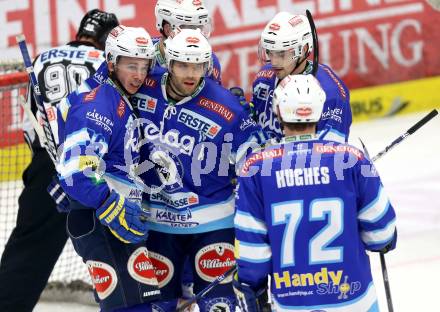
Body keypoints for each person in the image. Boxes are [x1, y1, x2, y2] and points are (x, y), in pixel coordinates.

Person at [233, 74, 397, 311]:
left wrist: (251, 285)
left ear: (278, 111)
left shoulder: (256, 168)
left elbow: (253, 258)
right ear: (320, 110)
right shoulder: (352, 159)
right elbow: (382, 234)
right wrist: (386, 241)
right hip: (354, 300)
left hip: (292, 302)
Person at [131, 28, 265, 312]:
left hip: (213, 225)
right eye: (182, 65)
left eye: (198, 66)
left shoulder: (229, 109)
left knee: (218, 304)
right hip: (158, 223)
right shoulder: (142, 88)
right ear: (168, 63)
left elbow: (254, 170)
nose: (191, 74)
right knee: (159, 304)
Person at [0, 9, 118, 312]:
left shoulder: (41, 60)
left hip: (48, 165)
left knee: (30, 245)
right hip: (95, 166)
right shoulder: (107, 63)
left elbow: (31, 123)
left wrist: (43, 162)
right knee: (115, 240)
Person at [56, 25, 161, 311]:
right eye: (131, 65)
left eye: (144, 66)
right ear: (112, 62)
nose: (139, 75)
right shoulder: (98, 105)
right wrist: (111, 205)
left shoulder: (116, 98)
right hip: (101, 221)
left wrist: (151, 172)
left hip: (110, 219)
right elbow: (78, 173)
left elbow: (117, 163)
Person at [82, 0, 222, 96]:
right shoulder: (134, 52)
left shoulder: (209, 59)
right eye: (189, 28)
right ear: (167, 29)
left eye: (201, 27)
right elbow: (85, 94)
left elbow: (210, 101)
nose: (197, 35)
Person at [252, 11, 352, 142]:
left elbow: (330, 155)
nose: (274, 61)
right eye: (270, 52)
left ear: (304, 49)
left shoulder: (331, 93)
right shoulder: (263, 79)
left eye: (281, 54)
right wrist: (244, 115)